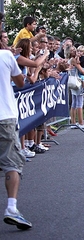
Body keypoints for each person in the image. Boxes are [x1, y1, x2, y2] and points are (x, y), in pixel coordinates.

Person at [0, 16, 33, 229]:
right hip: (4, 116)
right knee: (12, 163)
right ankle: (12, 208)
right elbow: (20, 82)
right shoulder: (5, 56)